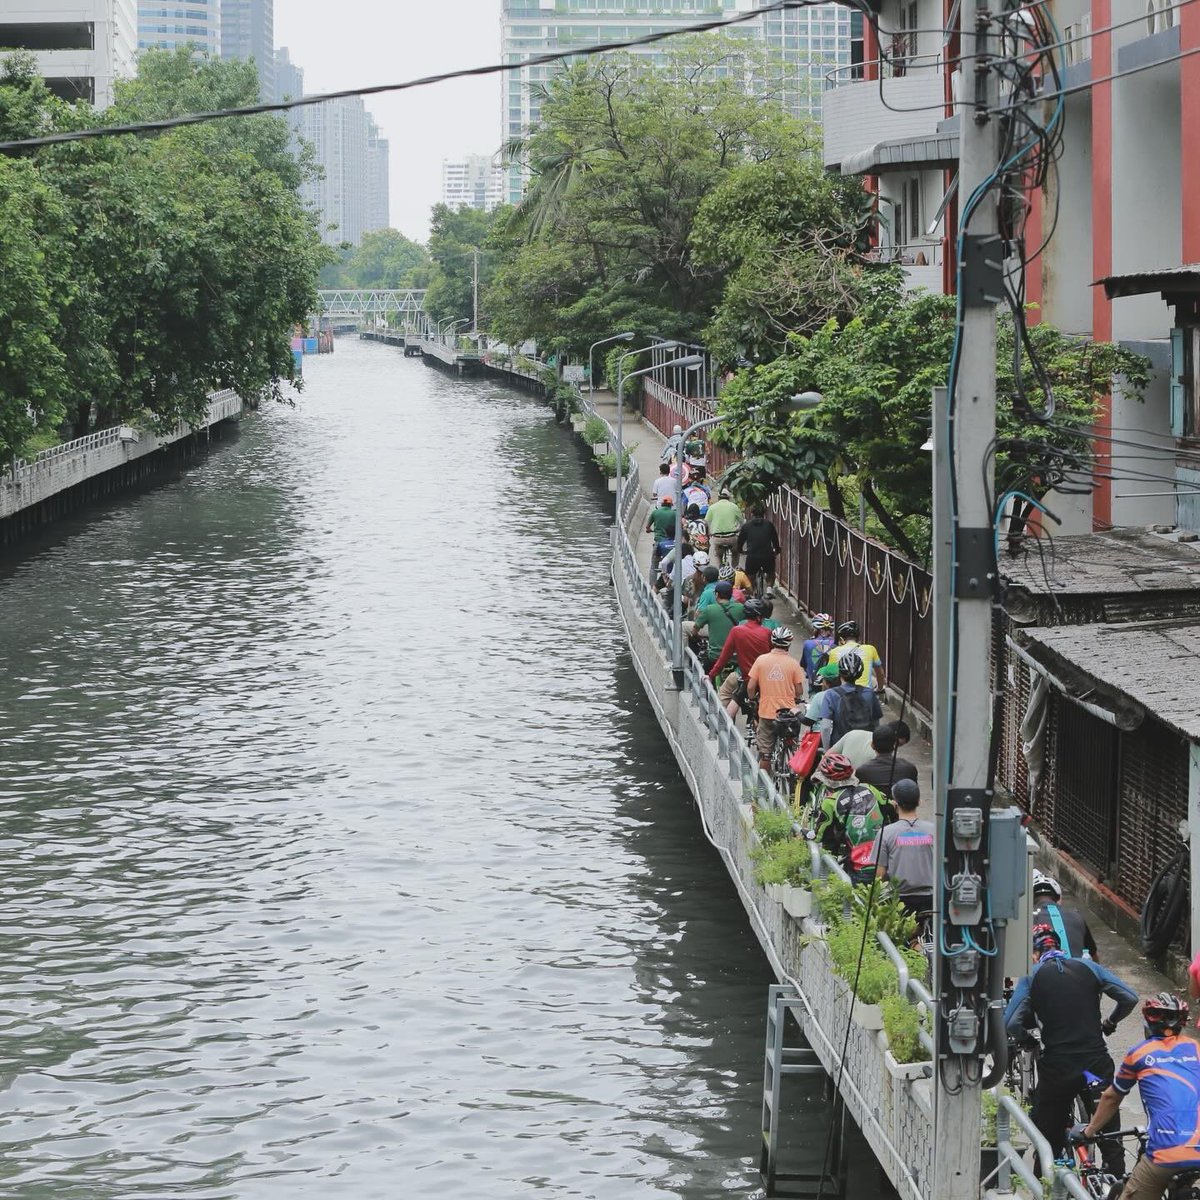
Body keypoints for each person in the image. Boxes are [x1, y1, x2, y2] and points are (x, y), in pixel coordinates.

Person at [1005, 925, 1138, 1175]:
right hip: (1094, 1066)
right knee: (1110, 1135)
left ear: (1034, 954)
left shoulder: (1032, 976)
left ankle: (1046, 1182)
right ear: (1060, 947)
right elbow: (1129, 998)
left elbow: (1010, 1022)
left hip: (1059, 1070)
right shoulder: (1089, 967)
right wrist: (1110, 1022)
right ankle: (1116, 1179)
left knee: (1048, 1140)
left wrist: (1027, 1039)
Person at [1073, 993, 1200, 1199]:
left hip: (1167, 1150)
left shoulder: (1140, 1053)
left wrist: (1089, 1132)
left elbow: (1112, 1098)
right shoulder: (1196, 1048)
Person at [809, 752, 889, 884]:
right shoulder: (869, 788)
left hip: (859, 865)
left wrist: (806, 833)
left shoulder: (830, 802)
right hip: (885, 860)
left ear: (827, 781)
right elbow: (891, 808)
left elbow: (819, 836)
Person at [747, 627, 806, 771]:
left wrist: (753, 699)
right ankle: (791, 770)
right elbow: (799, 690)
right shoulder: (793, 663)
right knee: (791, 743)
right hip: (788, 715)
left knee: (765, 754)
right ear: (789, 644)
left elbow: (750, 687)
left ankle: (764, 783)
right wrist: (796, 699)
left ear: (772, 642)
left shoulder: (761, 660)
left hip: (767, 713)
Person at [873, 779, 934, 913]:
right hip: (932, 899)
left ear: (895, 804)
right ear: (919, 802)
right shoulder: (934, 830)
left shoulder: (885, 833)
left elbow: (880, 875)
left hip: (899, 901)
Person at [709, 596, 773, 716]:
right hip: (767, 679)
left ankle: (722, 724)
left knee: (727, 696)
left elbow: (724, 657)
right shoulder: (767, 632)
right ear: (759, 617)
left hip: (747, 678)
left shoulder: (736, 631)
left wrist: (711, 675)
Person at [1032, 871, 1099, 961]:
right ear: (1058, 898)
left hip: (1044, 968)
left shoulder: (1026, 920)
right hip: (1078, 968)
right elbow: (1094, 957)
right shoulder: (1076, 916)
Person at [824, 651, 883, 745]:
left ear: (839, 673)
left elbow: (825, 727)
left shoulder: (831, 694)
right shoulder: (869, 693)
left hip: (841, 746)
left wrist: (827, 750)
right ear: (860, 673)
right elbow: (876, 725)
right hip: (864, 745)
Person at [855, 723, 920, 800]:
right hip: (900, 807)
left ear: (872, 745)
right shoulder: (909, 768)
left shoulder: (861, 771)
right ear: (894, 745)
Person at [693, 580, 745, 670]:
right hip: (736, 658)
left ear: (716, 594)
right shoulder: (741, 608)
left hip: (715, 657)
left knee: (703, 673)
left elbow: (695, 629)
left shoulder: (710, 609)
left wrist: (697, 636)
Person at [828, 620, 886, 692]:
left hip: (844, 694)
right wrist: (879, 689)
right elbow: (880, 673)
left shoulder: (834, 652)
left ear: (841, 639)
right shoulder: (870, 649)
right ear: (858, 638)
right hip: (866, 694)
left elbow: (828, 678)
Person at [736, 505, 781, 589]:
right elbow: (775, 540)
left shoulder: (746, 526)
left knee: (750, 575)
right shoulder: (769, 525)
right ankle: (769, 588)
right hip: (767, 555)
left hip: (752, 556)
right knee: (771, 573)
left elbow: (740, 541)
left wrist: (741, 550)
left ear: (752, 514)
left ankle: (752, 591)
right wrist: (777, 550)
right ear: (764, 514)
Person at [800, 613, 836, 688]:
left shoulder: (808, 644)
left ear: (816, 629)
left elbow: (804, 665)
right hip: (831, 685)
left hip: (814, 683)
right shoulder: (835, 645)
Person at [707, 489, 742, 565]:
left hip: (718, 538)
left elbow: (707, 521)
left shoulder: (712, 507)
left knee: (717, 555)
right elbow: (741, 521)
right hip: (731, 538)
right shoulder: (734, 506)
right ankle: (734, 568)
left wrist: (710, 532)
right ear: (729, 498)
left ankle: (719, 569)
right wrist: (739, 528)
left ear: (719, 497)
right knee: (735, 553)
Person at [646, 494, 677, 574]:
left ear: (662, 504)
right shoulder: (674, 514)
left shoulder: (655, 512)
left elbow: (647, 527)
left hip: (658, 542)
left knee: (654, 565)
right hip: (672, 543)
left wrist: (649, 530)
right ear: (671, 505)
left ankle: (652, 580)